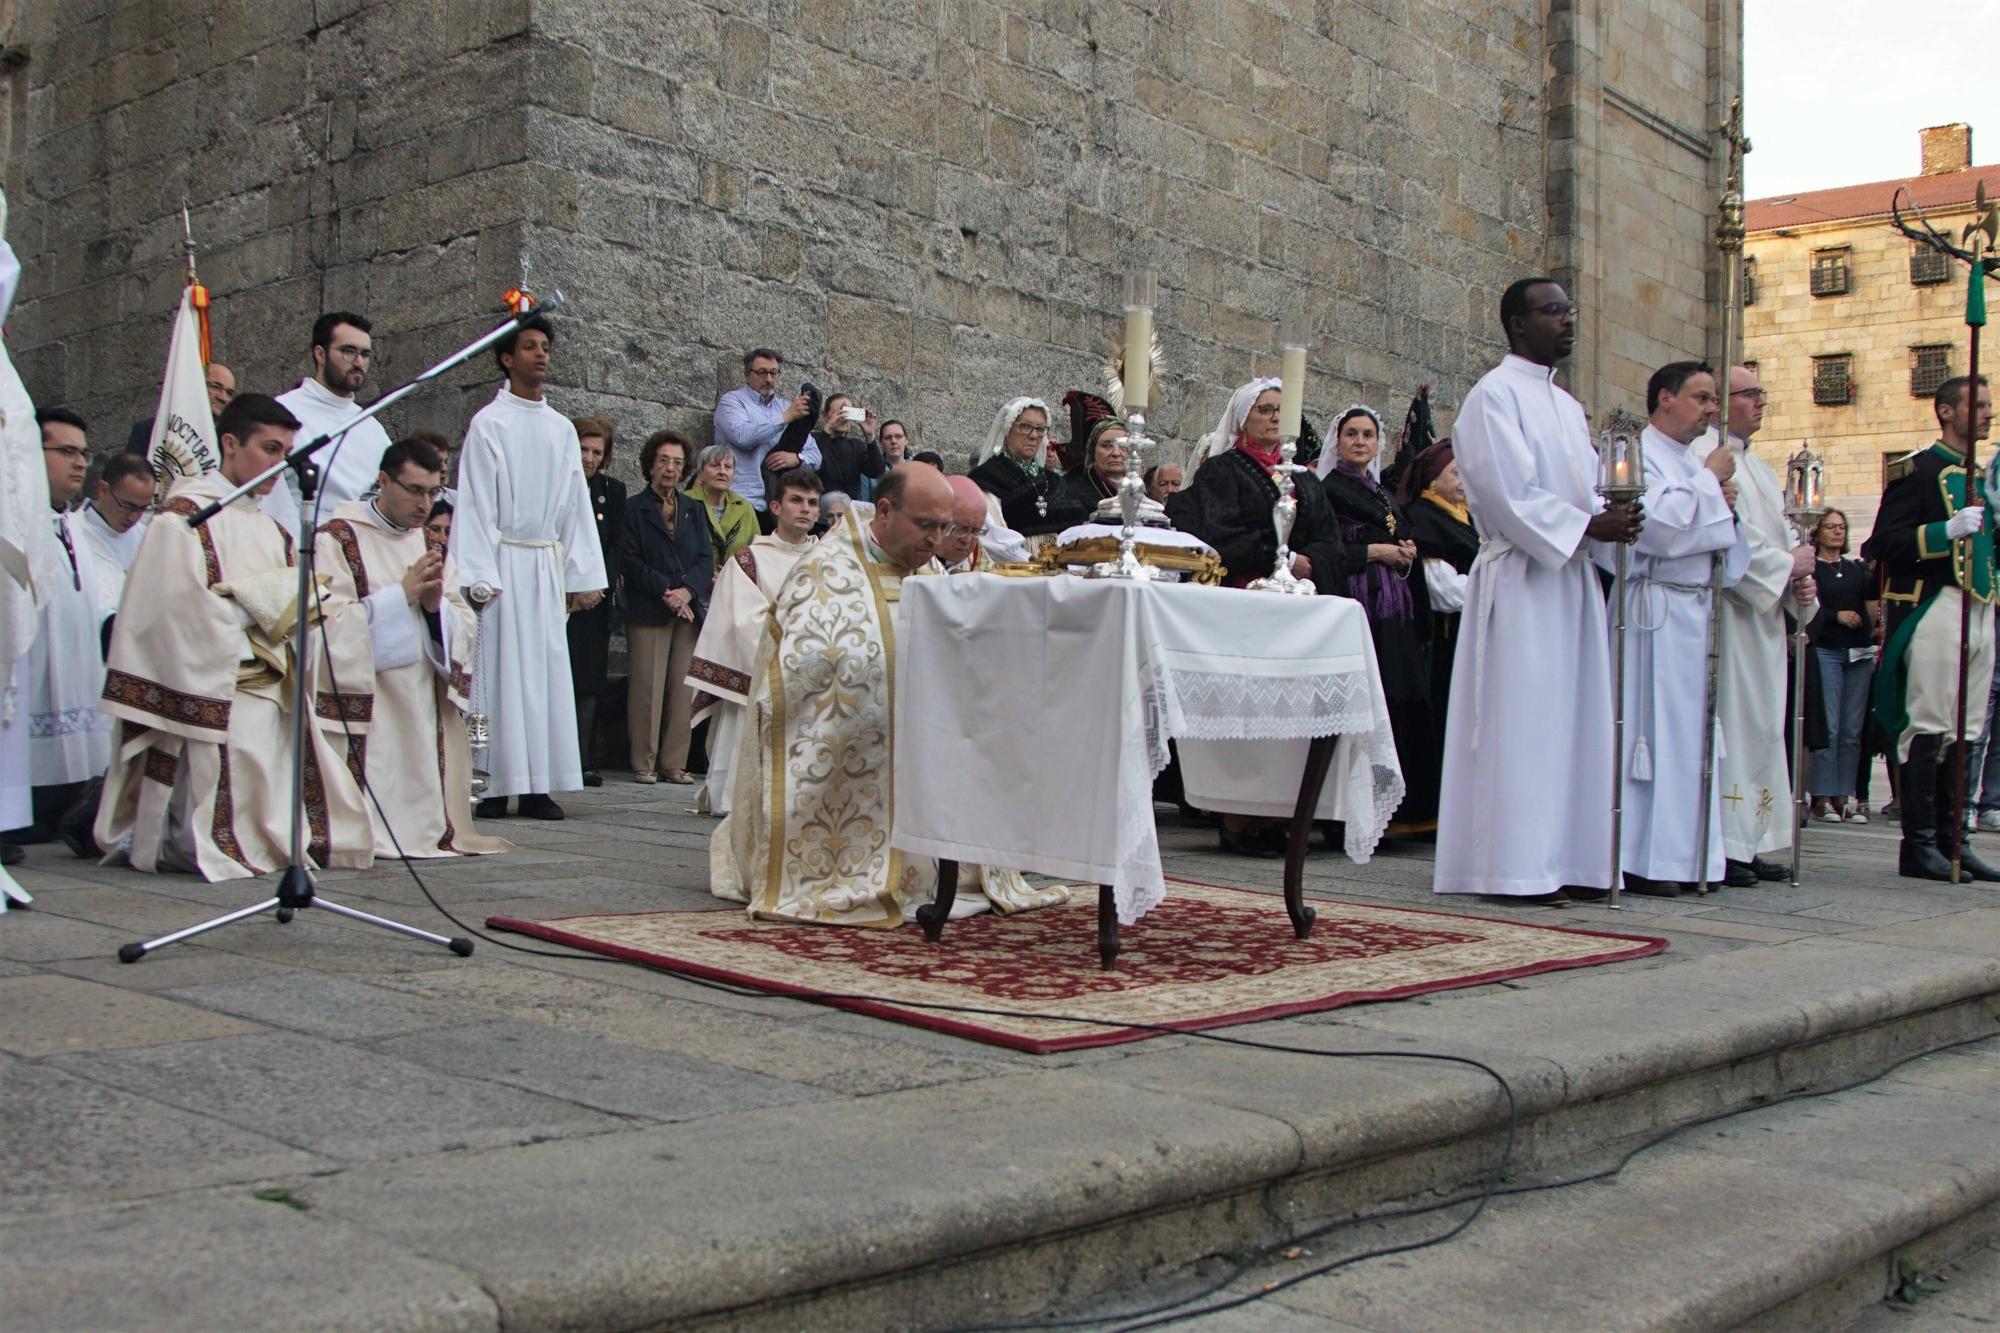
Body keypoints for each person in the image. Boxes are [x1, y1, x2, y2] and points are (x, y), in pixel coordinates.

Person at [711, 463, 1069, 924]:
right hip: (855, 749)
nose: (937, 540)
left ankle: (942, 868)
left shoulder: (931, 569)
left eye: (946, 527)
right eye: (926, 525)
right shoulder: (825, 572)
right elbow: (800, 674)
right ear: (884, 511)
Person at [94, 394, 377, 880]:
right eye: (268, 448)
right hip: (216, 680)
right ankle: (206, 839)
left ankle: (266, 840)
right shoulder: (182, 518)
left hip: (272, 680)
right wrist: (254, 607)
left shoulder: (276, 530)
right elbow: (167, 611)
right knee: (245, 736)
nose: (278, 464)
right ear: (230, 443)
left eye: (285, 452)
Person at [1435, 278, 1643, 905]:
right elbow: (1507, 493)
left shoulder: (1564, 405)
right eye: (1553, 311)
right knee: (1523, 723)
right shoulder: (1492, 398)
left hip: (1570, 582)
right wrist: (1587, 526)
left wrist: (1616, 519)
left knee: (1571, 724)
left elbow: (1584, 491)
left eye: (1570, 310)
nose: (1568, 321)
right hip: (1523, 583)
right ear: (1517, 324)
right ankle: (1513, 866)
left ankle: (1571, 860)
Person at [1591, 362, 1747, 897]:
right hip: (1650, 611)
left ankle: (1688, 856)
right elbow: (1652, 530)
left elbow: (1725, 547)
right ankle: (1643, 858)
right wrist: (1709, 487)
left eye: (1714, 400)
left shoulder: (1696, 464)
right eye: (1701, 397)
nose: (1711, 409)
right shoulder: (1634, 453)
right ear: (1664, 398)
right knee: (1648, 735)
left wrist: (1722, 507)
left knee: (1692, 739)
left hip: (1694, 611)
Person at [315, 438, 511, 860]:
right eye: (415, 490)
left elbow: (463, 619)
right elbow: (325, 626)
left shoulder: (429, 545)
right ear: (384, 481)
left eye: (434, 492)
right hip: (367, 695)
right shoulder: (335, 539)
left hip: (420, 695)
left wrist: (434, 607)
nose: (426, 504)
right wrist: (399, 595)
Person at [452, 313, 608, 822]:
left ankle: (539, 783)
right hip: (500, 562)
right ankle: (492, 781)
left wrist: (579, 575)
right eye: (529, 347)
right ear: (506, 357)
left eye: (545, 346)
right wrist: (478, 576)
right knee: (495, 678)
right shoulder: (488, 423)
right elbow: (474, 502)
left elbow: (574, 502)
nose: (540, 354)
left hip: (542, 563)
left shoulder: (562, 428)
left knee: (542, 675)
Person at [1863, 374, 2000, 881]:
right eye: (1978, 405)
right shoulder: (1918, 471)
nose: (1988, 413)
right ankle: (1919, 845)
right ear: (1945, 411)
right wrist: (1945, 531)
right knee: (1928, 724)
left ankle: (1953, 841)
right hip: (1934, 606)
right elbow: (1883, 544)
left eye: (1989, 404)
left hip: (1979, 606)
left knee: (1967, 729)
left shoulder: (1984, 476)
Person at [1690, 364, 1815, 884]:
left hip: (1763, 622)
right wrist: (1786, 566)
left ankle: (1755, 836)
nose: (1760, 402)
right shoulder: (1709, 459)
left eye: (1762, 392)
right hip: (1729, 617)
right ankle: (1728, 842)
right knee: (1735, 726)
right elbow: (1732, 540)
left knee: (1763, 728)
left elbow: (1779, 539)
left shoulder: (1759, 468)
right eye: (1750, 393)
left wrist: (1798, 578)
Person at [1319, 404, 1438, 833]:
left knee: (1399, 697)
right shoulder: (1327, 489)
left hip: (1396, 607)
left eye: (1367, 435)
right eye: (1351, 434)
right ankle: (1355, 810)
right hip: (1359, 602)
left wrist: (1404, 555)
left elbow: (1399, 539)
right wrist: (1374, 552)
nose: (1360, 442)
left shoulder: (1383, 494)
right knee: (1368, 700)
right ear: (1338, 440)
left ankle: (1403, 809)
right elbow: (1324, 550)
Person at [687, 467, 821, 816]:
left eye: (812, 503)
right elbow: (742, 621)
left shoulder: (829, 563)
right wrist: (798, 639)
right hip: (758, 678)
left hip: (816, 679)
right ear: (775, 507)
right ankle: (733, 799)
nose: (805, 509)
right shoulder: (749, 560)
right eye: (796, 500)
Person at [10, 408, 111, 847]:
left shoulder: (76, 523)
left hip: (78, 674)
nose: (80, 462)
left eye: (84, 453)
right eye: (66, 451)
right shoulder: (15, 523)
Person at [1165, 379, 1347, 595]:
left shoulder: (1305, 478)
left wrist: (1310, 562)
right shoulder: (1222, 469)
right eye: (1265, 410)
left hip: (1303, 590)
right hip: (1246, 589)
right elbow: (1222, 534)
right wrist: (1286, 560)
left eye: (1281, 410)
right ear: (1244, 419)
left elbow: (1329, 538)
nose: (1276, 417)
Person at [623, 430, 713, 785]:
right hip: (650, 607)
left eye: (677, 462)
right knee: (647, 686)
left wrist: (689, 591)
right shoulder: (634, 508)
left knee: (682, 688)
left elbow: (705, 557)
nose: (671, 469)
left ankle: (673, 762)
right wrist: (666, 591)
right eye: (664, 461)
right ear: (650, 464)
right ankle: (643, 761)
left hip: (687, 611)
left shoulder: (694, 508)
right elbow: (630, 561)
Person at [1399, 440, 1477, 797]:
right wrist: (1495, 588)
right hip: (1444, 640)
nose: (1464, 481)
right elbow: (1443, 590)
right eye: (1455, 473)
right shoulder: (1426, 519)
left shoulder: (1466, 519)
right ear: (1432, 481)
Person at [272, 312, 395, 531]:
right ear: (320, 353)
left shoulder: (372, 427)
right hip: (301, 542)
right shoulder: (281, 411)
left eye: (365, 354)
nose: (359, 362)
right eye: (348, 351)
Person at [1808, 509, 1878, 822]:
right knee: (1830, 726)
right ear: (1817, 531)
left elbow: (1872, 601)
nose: (1837, 532)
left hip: (1858, 653)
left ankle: (1844, 795)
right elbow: (1807, 607)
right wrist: (1836, 616)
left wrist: (1873, 622)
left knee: (1852, 730)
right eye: (1830, 527)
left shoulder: (1856, 569)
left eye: (1841, 527)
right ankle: (1821, 795)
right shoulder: (1812, 569)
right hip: (1828, 649)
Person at [567, 415, 625, 787]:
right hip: (564, 599)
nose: (588, 458)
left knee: (589, 681)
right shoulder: (558, 485)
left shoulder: (612, 491)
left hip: (595, 600)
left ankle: (584, 758)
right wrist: (571, 587)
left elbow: (615, 544)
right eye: (583, 449)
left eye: (595, 452)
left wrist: (595, 585)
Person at [712, 347, 821, 524]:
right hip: (740, 499)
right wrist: (785, 418)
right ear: (747, 374)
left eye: (774, 373)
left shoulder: (786, 406)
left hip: (778, 505)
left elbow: (816, 456)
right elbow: (742, 437)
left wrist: (797, 458)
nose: (769, 379)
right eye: (762, 373)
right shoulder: (732, 401)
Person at [967, 397, 1092, 538]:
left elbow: (1079, 524)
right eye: (1025, 426)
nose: (1033, 435)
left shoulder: (1055, 481)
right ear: (1008, 430)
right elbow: (992, 538)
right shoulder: (986, 479)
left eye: (1040, 429)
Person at [77, 449, 158, 620]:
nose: (134, 517)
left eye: (142, 508)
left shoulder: (147, 537)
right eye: (127, 505)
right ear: (103, 489)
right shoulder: (74, 536)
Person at [686, 443, 759, 573]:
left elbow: (757, 552)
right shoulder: (684, 503)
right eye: (715, 465)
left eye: (728, 467)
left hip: (735, 583)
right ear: (700, 473)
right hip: (692, 584)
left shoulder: (745, 507)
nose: (722, 471)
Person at [812, 392, 886, 498]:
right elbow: (813, 465)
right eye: (840, 412)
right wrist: (827, 429)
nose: (844, 417)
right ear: (825, 415)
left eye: (848, 413)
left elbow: (877, 471)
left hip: (848, 508)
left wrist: (870, 435)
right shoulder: (813, 440)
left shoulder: (856, 446)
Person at [1059, 419, 1129, 516]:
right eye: (1107, 445)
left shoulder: (1138, 492)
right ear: (1093, 451)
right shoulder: (1072, 495)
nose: (1116, 453)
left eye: (1123, 446)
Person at [939, 475, 998, 571]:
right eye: (961, 529)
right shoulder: (911, 561)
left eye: (975, 531)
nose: (967, 540)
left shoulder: (977, 556)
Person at [857, 419, 909, 501]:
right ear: (881, 443)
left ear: (906, 440)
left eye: (898, 436)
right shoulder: (869, 472)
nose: (893, 441)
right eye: (888, 438)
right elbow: (863, 506)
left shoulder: (918, 467)